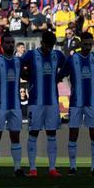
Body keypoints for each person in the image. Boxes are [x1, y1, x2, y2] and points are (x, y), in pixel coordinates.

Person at [22, 31, 67, 177]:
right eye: (47, 46)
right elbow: (19, 67)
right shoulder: (31, 55)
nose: (49, 49)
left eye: (52, 46)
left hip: (53, 101)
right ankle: (33, 168)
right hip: (35, 102)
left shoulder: (57, 55)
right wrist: (28, 77)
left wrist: (58, 77)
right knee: (33, 132)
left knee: (51, 133)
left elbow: (67, 67)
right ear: (42, 43)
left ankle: (52, 168)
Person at [62, 31, 94, 175]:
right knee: (73, 133)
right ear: (80, 44)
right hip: (75, 102)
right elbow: (62, 74)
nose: (87, 47)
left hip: (92, 102)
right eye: (85, 44)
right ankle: (72, 167)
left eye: (89, 44)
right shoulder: (72, 59)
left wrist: (93, 82)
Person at [0, 32, 24, 176]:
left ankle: (17, 168)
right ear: (2, 45)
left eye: (11, 42)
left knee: (15, 136)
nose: (10, 45)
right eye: (7, 42)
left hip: (15, 106)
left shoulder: (18, 62)